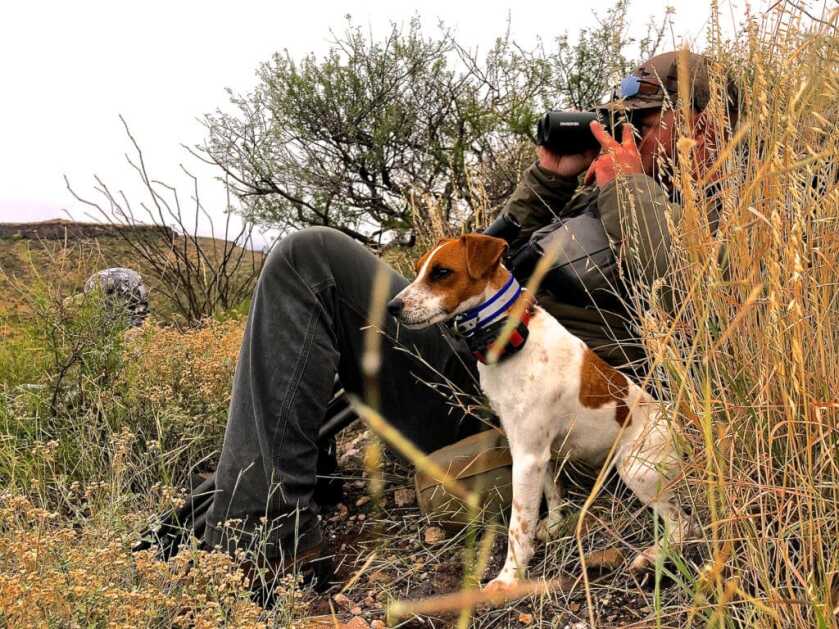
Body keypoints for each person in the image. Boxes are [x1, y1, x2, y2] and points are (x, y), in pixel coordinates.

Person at [200, 51, 733, 592]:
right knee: (310, 258)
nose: (623, 135)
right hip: (472, 365)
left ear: (704, 125)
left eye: (640, 122)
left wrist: (628, 186)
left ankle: (262, 545)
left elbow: (689, 305)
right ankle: (260, 515)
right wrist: (549, 181)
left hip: (556, 417)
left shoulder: (743, 211)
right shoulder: (602, 190)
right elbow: (477, 264)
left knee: (449, 481)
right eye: (618, 121)